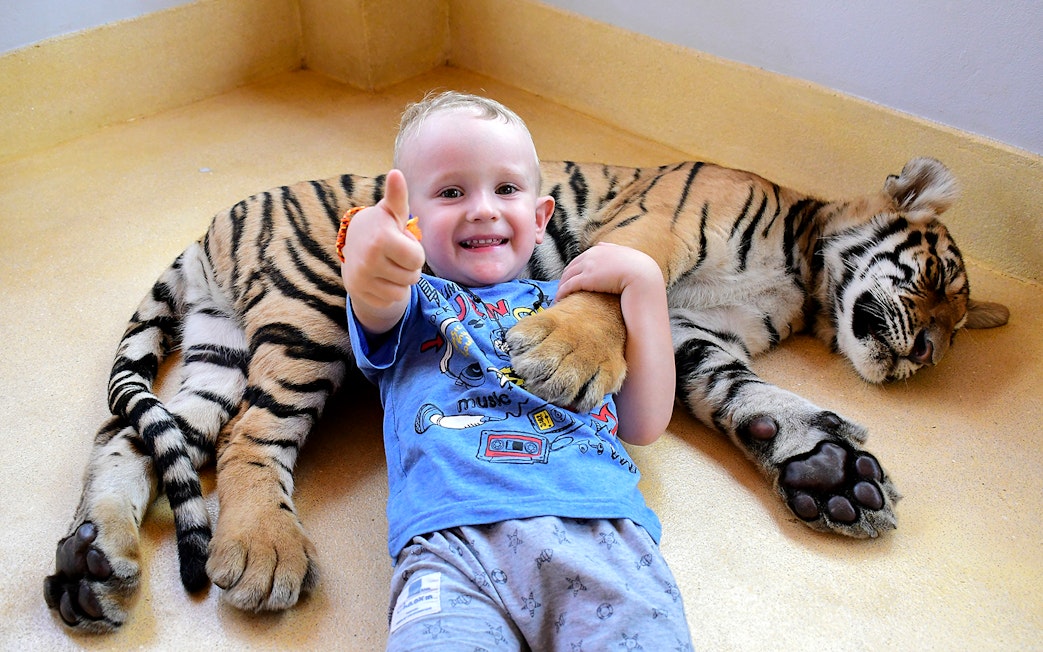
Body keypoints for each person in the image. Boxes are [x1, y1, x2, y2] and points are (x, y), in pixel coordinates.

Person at [340, 91, 692, 651]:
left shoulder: (576, 304)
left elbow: (644, 423)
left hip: (601, 532)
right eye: (452, 192)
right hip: (450, 549)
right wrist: (369, 255)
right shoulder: (414, 302)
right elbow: (373, 298)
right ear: (411, 224)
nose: (482, 208)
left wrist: (645, 289)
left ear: (540, 218)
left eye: (505, 189)